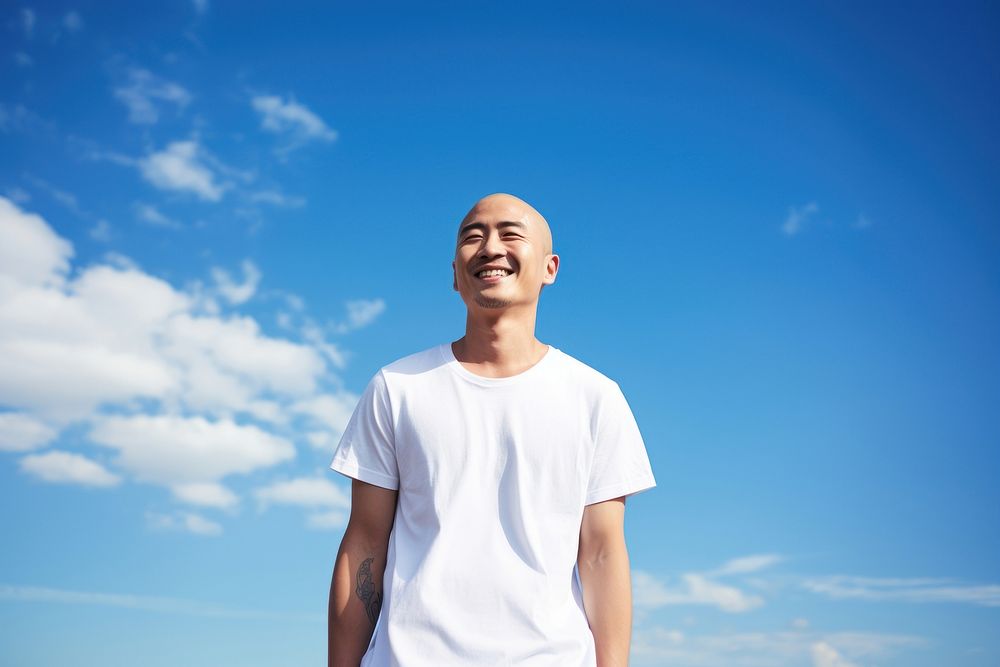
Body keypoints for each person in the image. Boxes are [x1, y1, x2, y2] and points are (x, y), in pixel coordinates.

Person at [327, 193, 656, 666]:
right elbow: (364, 543)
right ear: (454, 274)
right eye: (473, 237)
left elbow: (602, 553)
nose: (489, 247)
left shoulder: (595, 397)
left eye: (510, 233)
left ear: (550, 267)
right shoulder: (396, 388)